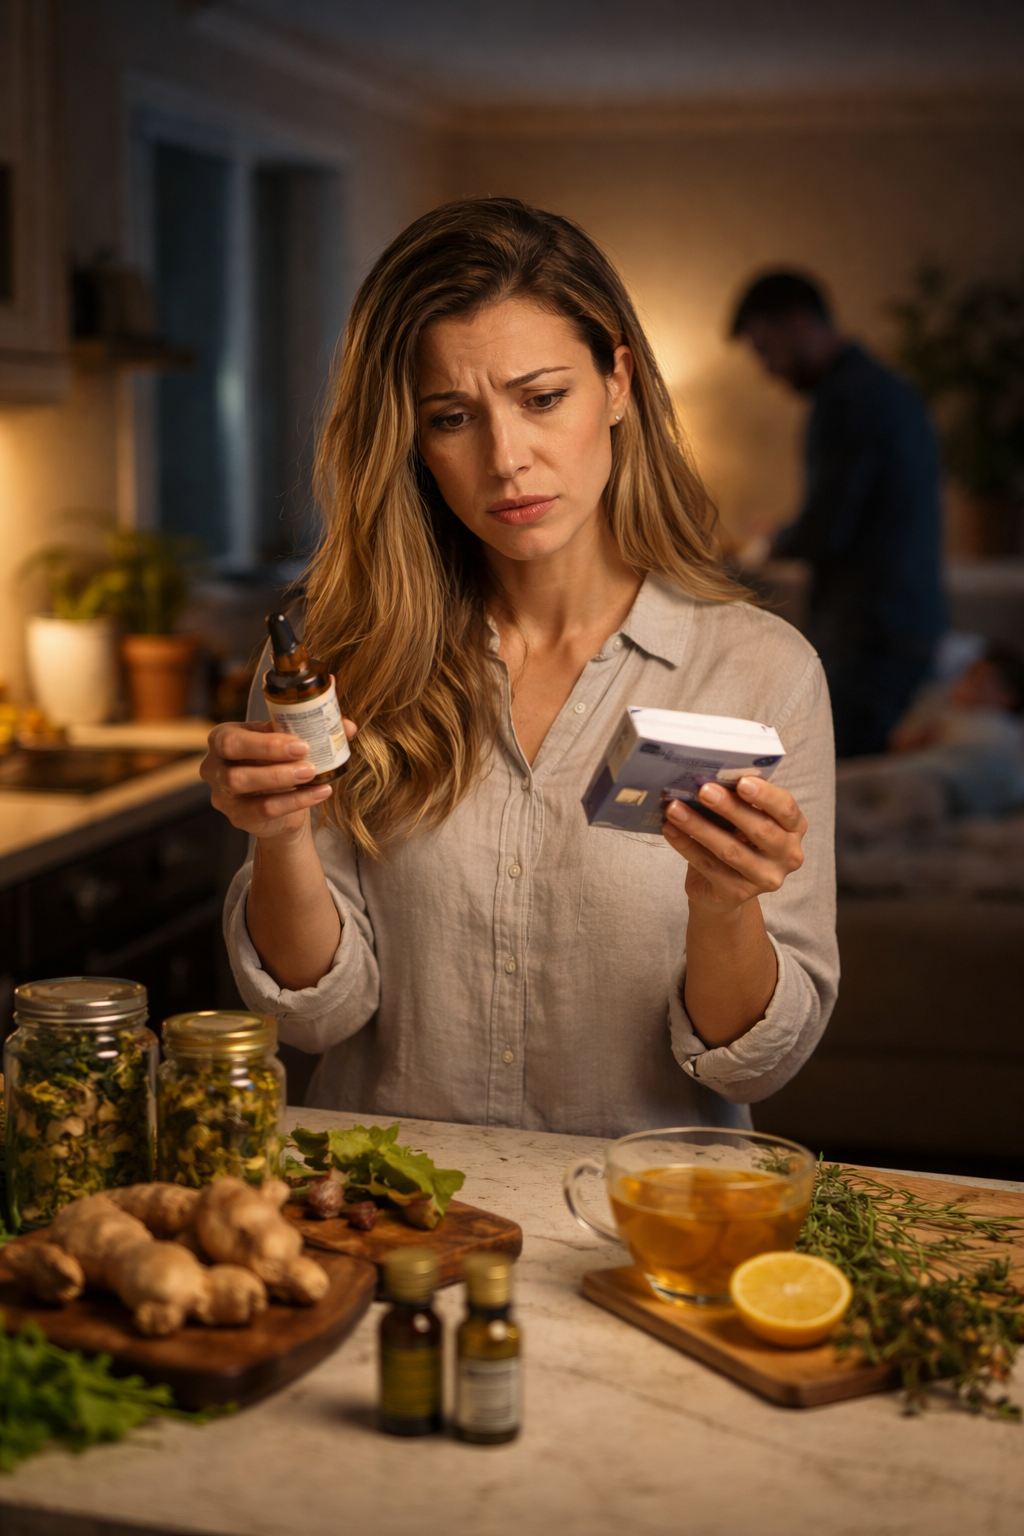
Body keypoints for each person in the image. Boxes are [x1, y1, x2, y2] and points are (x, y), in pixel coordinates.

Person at [202, 200, 838, 1139]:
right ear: (411, 441)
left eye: (543, 399)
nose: (507, 460)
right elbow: (312, 1019)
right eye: (452, 417)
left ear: (617, 381)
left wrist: (726, 903)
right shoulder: (331, 662)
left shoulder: (761, 674)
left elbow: (761, 1060)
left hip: (643, 1237)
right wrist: (280, 835)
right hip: (385, 1222)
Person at [731, 271, 948, 759]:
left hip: (870, 628)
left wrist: (778, 539)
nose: (769, 369)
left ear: (801, 323)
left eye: (767, 349)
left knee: (833, 778)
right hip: (905, 618)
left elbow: (827, 528)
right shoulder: (889, 389)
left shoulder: (847, 400)